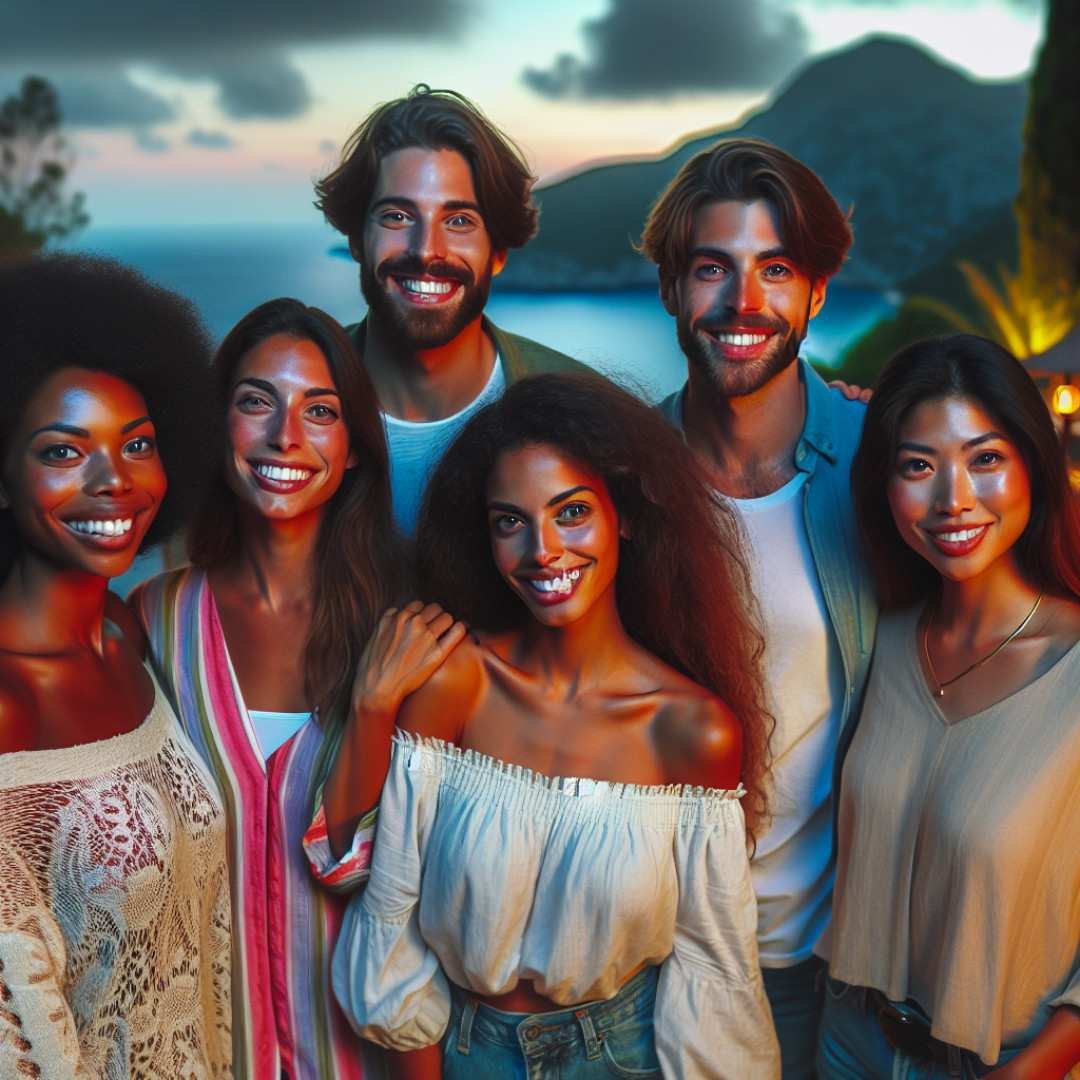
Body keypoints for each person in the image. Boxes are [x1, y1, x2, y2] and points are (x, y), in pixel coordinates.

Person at [329, 373, 780, 1078]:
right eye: (511, 521)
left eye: (571, 513)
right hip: (467, 1050)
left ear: (622, 516)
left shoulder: (693, 731)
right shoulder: (456, 683)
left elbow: (713, 968)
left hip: (622, 1055)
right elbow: (390, 909)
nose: (542, 550)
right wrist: (371, 707)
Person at [638, 136, 877, 1076]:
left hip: (831, 969)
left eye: (775, 270)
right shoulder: (620, 483)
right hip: (650, 965)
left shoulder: (879, 468)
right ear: (670, 288)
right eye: (712, 270)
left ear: (816, 292)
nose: (743, 304)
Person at [131, 299, 415, 1079]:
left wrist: (374, 707)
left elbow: (416, 887)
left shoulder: (406, 633)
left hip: (363, 1061)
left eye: (319, 410)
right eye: (256, 400)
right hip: (195, 1057)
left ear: (354, 448)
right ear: (218, 426)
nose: (284, 435)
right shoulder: (152, 624)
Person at [820, 334, 1080, 1079]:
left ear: (1035, 460)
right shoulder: (877, 638)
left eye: (985, 458)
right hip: (845, 1041)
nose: (953, 498)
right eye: (918, 465)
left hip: (997, 1063)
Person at [0, 254, 231, 1076]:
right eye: (65, 454)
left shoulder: (131, 638)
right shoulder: (8, 709)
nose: (116, 481)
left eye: (137, 444)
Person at [315, 84, 592, 534]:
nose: (427, 250)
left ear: (498, 252)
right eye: (397, 217)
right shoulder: (274, 416)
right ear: (356, 241)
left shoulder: (587, 415)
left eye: (459, 221)